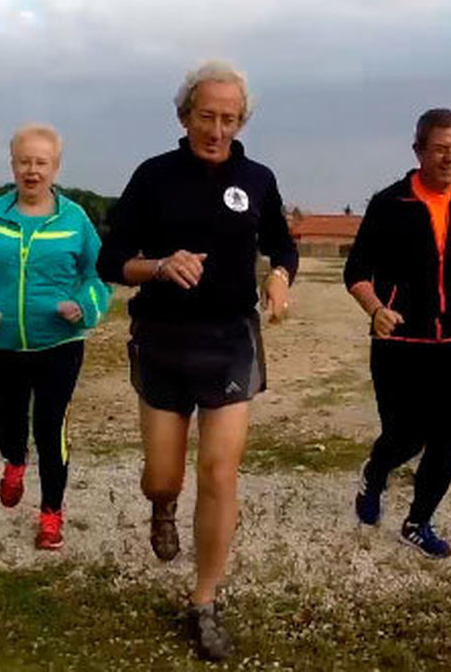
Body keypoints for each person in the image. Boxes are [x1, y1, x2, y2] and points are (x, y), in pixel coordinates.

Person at [96, 60, 297, 663]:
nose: (217, 129)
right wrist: (158, 266)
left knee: (219, 472)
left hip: (231, 338)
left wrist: (282, 277)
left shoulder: (258, 178)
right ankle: (161, 505)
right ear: (184, 116)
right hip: (161, 336)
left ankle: (205, 600)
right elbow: (110, 261)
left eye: (228, 119)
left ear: (242, 120)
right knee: (165, 475)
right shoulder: (153, 177)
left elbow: (281, 243)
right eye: (206, 117)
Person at [345, 107, 451, 559]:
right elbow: (356, 271)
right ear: (419, 150)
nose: (450, 158)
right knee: (404, 436)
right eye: (441, 149)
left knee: (447, 437)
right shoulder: (389, 204)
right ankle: (374, 475)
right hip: (399, 342)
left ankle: (418, 522)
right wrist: (376, 308)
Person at [0, 123, 112, 551]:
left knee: (49, 425)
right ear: (13, 165)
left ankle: (51, 514)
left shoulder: (75, 219)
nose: (33, 170)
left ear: (55, 167)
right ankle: (13, 461)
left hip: (59, 345)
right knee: (8, 423)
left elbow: (99, 274)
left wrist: (84, 306)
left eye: (41, 162)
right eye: (25, 162)